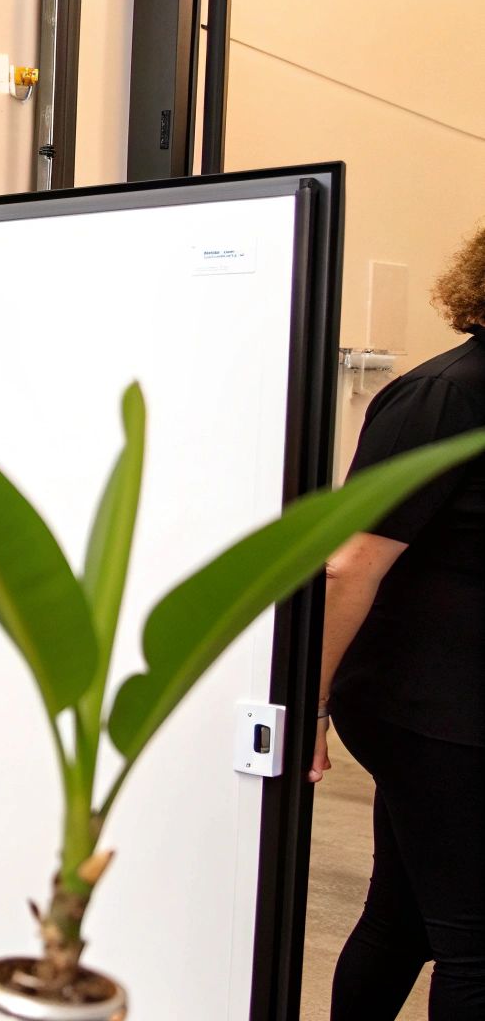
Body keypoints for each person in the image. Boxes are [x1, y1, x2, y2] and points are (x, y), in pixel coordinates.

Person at [316, 224, 485, 1019]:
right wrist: (306, 706)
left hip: (459, 707)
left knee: (406, 914)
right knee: (477, 946)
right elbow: (350, 563)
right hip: (429, 711)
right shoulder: (446, 394)